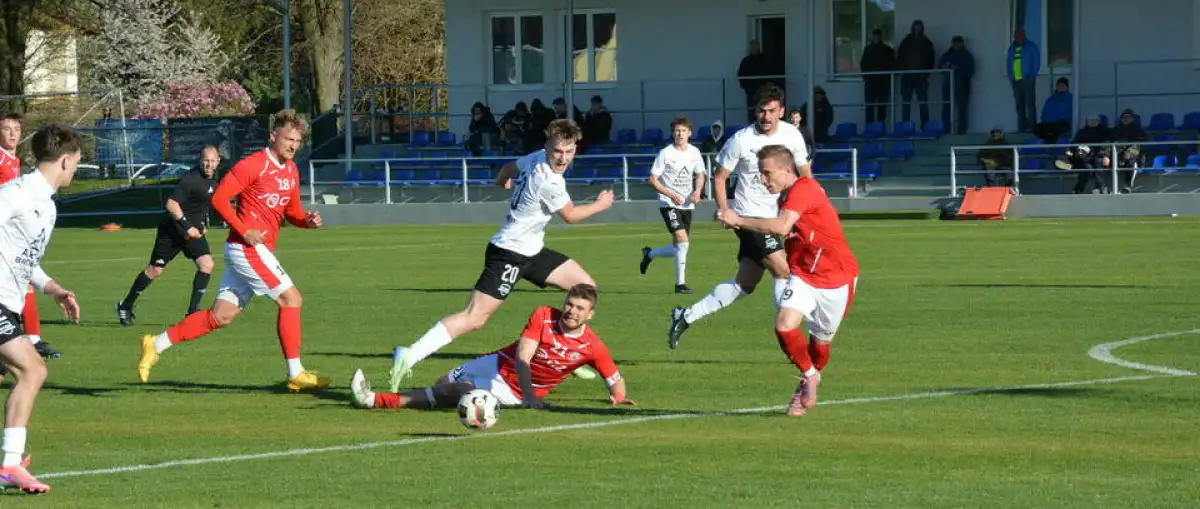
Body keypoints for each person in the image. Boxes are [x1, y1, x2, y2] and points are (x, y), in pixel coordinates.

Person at [387, 119, 614, 392]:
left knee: (585, 289)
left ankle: (555, 349)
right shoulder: (550, 180)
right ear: (547, 146)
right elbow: (571, 216)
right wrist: (602, 204)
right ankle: (409, 355)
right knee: (474, 318)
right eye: (557, 151)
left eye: (568, 151)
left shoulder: (536, 157)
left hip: (531, 250)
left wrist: (502, 181)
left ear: (575, 148)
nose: (563, 158)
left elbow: (508, 168)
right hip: (509, 253)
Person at [136, 109, 329, 391]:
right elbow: (221, 199)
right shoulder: (254, 164)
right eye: (288, 139)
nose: (292, 146)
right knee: (291, 300)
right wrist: (244, 229)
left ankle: (156, 343)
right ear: (273, 136)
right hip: (247, 249)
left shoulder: (291, 170)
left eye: (297, 141)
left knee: (221, 316)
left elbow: (293, 213)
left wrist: (307, 221)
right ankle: (296, 373)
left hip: (257, 250)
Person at [716, 144, 859, 417]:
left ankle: (808, 380)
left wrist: (739, 219)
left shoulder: (804, 188)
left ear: (786, 169)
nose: (763, 179)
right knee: (784, 327)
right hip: (804, 275)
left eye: (767, 173)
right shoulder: (787, 196)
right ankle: (809, 377)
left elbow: (781, 227)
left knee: (820, 345)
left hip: (837, 277)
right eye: (760, 173)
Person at [667, 83, 810, 350]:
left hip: (779, 216)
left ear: (781, 111)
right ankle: (788, 335)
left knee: (745, 282)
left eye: (771, 111)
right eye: (761, 111)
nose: (765, 116)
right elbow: (720, 177)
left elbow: (805, 174)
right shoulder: (742, 139)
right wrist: (725, 210)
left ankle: (685, 316)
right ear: (754, 111)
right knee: (783, 268)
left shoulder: (792, 135)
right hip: (749, 217)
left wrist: (809, 206)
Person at [351, 284, 633, 411]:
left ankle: (374, 400)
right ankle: (432, 400)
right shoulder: (544, 314)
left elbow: (615, 380)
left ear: (590, 314)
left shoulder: (592, 346)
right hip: (498, 364)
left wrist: (618, 398)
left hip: (513, 390)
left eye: (579, 308)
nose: (571, 311)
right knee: (442, 385)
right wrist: (533, 397)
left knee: (455, 393)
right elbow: (523, 357)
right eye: (569, 304)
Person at [0, 124, 84, 493]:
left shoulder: (46, 206)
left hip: (11, 303)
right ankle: (9, 466)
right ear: (65, 159)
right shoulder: (15, 193)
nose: (76, 169)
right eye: (77, 162)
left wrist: (53, 289)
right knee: (32, 370)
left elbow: (25, 258)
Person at [116, 146, 220, 324]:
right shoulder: (190, 179)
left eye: (212, 161)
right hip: (172, 231)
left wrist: (203, 222)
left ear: (218, 161)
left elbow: (202, 204)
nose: (209, 164)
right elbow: (171, 204)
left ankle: (192, 313)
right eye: (205, 160)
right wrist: (187, 226)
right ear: (199, 160)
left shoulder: (216, 177)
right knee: (155, 270)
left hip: (192, 233)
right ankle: (125, 305)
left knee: (207, 264)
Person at [0, 114, 61, 360]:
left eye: (17, 129)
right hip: (8, 230)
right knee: (31, 372)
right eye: (7, 129)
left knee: (26, 276)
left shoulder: (13, 162)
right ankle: (33, 339)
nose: (13, 134)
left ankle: (32, 338)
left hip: (17, 228)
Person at [640, 117, 707, 294]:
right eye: (677, 130)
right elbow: (652, 179)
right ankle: (680, 284)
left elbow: (701, 174)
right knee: (683, 241)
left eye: (683, 131)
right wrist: (670, 194)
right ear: (673, 133)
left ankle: (650, 254)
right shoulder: (665, 153)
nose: (680, 134)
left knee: (680, 247)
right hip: (668, 203)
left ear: (689, 133)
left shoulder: (694, 152)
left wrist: (698, 191)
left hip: (687, 204)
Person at [938, 35, 975, 134]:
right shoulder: (947, 55)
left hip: (962, 85)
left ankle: (961, 130)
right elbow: (939, 67)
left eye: (959, 43)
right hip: (948, 85)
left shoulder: (967, 56)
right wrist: (945, 67)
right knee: (947, 108)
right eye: (955, 43)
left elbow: (970, 71)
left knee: (962, 109)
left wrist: (957, 69)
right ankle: (946, 129)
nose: (957, 45)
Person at [1007, 28, 1041, 132]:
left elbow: (1036, 62)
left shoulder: (1031, 47)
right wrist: (1011, 78)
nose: (1019, 37)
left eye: (1021, 35)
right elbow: (1008, 64)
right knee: (1019, 104)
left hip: (1027, 79)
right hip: (1016, 80)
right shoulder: (1011, 48)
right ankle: (1022, 127)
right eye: (1017, 35)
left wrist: (1032, 76)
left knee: (1030, 103)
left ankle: (1032, 127)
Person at [860, 28, 895, 125]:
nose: (876, 37)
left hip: (883, 81)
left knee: (882, 105)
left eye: (878, 35)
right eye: (874, 35)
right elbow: (863, 65)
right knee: (869, 105)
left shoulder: (887, 50)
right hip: (871, 81)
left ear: (881, 36)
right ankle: (870, 126)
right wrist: (865, 77)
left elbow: (892, 64)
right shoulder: (868, 50)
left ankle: (880, 126)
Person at [1033, 78, 1073, 145]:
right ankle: (1049, 139)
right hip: (1048, 123)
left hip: (1062, 123)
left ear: (1067, 87)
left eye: (1063, 86)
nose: (1060, 87)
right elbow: (1045, 112)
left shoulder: (1071, 98)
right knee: (1036, 128)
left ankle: (1050, 143)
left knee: (1056, 129)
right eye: (1059, 85)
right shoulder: (1051, 98)